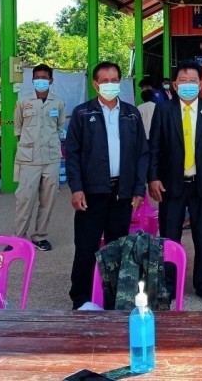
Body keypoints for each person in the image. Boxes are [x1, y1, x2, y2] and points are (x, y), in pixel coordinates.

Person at [66, 61, 148, 309]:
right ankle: (80, 298)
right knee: (86, 246)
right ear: (95, 84)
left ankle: (114, 299)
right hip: (92, 193)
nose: (110, 85)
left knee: (117, 248)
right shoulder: (82, 113)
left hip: (122, 193)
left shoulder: (131, 114)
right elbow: (72, 154)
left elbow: (142, 153)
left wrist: (139, 189)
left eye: (114, 80)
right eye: (104, 81)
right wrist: (76, 188)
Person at [148, 60, 202, 305]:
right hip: (171, 184)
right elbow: (154, 146)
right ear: (175, 85)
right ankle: (169, 286)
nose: (187, 85)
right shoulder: (163, 110)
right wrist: (153, 177)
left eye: (192, 81)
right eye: (182, 81)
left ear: (201, 84)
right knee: (169, 237)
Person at [13, 63, 67, 251]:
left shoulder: (58, 103)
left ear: (51, 81)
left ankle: (40, 236)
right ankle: (19, 238)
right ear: (32, 80)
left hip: (51, 158)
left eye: (44, 78)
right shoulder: (23, 102)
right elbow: (18, 129)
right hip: (28, 159)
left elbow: (59, 128)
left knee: (48, 199)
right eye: (37, 78)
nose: (40, 81)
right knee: (24, 199)